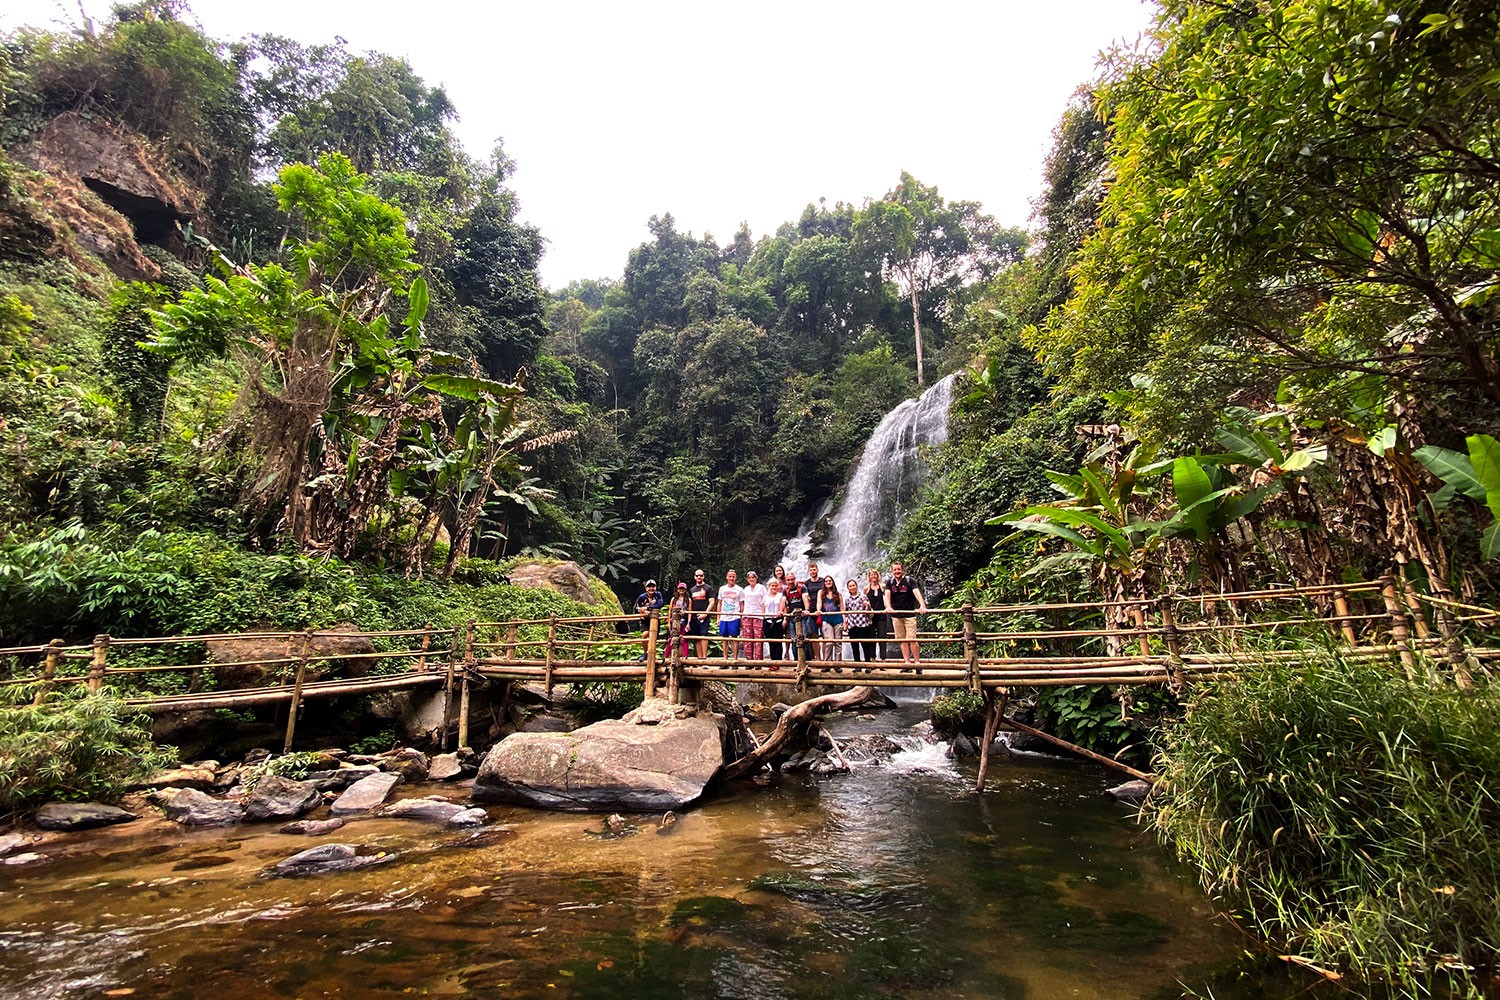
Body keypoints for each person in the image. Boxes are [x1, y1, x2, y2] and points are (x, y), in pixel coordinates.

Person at [886, 561, 928, 664]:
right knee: (902, 640)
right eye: (895, 570)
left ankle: (917, 663)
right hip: (896, 615)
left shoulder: (910, 581)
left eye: (899, 569)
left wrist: (922, 605)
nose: (897, 571)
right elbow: (887, 595)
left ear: (902, 570)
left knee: (912, 639)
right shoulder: (889, 582)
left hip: (909, 615)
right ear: (892, 571)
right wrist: (888, 606)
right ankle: (907, 663)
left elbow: (916, 592)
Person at [845, 578, 875, 664]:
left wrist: (868, 605)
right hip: (852, 625)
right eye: (850, 586)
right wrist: (846, 623)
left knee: (865, 645)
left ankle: (867, 664)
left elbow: (868, 610)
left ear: (857, 586)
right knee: (854, 646)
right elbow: (846, 612)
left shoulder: (863, 597)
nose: (852, 587)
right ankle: (857, 665)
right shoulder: (847, 599)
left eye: (853, 585)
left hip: (862, 624)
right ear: (848, 588)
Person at [633, 579, 665, 660]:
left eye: (653, 586)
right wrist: (641, 612)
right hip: (645, 620)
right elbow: (638, 608)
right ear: (646, 588)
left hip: (655, 619)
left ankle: (652, 655)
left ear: (655, 587)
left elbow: (659, 604)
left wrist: (648, 608)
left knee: (653, 638)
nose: (651, 588)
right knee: (644, 635)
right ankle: (645, 653)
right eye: (649, 586)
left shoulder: (658, 595)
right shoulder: (642, 597)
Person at [740, 570, 768, 660]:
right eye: (750, 578)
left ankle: (758, 661)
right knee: (747, 639)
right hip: (747, 615)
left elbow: (765, 602)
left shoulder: (761, 588)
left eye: (753, 577)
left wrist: (764, 615)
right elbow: (743, 602)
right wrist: (742, 615)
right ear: (747, 579)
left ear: (756, 578)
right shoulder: (746, 589)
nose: (751, 579)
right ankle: (749, 661)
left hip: (758, 615)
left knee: (758, 639)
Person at [717, 569, 744, 659]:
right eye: (730, 576)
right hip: (724, 616)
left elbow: (741, 604)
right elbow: (719, 603)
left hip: (735, 616)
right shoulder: (722, 588)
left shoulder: (739, 589)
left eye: (733, 576)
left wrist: (742, 617)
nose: (731, 578)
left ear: (735, 578)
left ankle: (735, 659)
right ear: (727, 577)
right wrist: (718, 617)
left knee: (734, 638)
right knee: (724, 638)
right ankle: (725, 658)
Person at [687, 569, 713, 660]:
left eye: (701, 575)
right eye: (697, 575)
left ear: (703, 576)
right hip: (694, 616)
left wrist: (705, 614)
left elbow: (712, 602)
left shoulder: (708, 588)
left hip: (704, 616)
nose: (699, 577)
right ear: (694, 577)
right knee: (696, 638)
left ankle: (704, 658)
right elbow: (690, 604)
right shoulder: (692, 590)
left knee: (703, 636)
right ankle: (700, 658)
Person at [817, 575, 845, 662]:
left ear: (832, 582)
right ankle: (827, 663)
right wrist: (818, 610)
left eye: (830, 581)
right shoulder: (821, 593)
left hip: (838, 619)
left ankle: (838, 663)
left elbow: (842, 608)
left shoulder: (838, 594)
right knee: (829, 641)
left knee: (838, 642)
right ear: (824, 583)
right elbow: (819, 603)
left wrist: (845, 621)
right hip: (826, 619)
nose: (828, 582)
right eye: (826, 581)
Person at [782, 570, 808, 660]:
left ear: (795, 579)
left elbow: (805, 598)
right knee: (793, 640)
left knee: (803, 638)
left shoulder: (802, 587)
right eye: (788, 580)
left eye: (792, 579)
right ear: (786, 580)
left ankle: (806, 660)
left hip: (802, 617)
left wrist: (807, 610)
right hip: (791, 618)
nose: (790, 582)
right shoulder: (786, 590)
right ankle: (797, 661)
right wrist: (782, 612)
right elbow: (783, 601)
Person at [865, 568, 889, 660]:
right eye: (872, 575)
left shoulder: (883, 586)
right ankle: (873, 658)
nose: (874, 576)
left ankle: (883, 659)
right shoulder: (866, 588)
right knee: (871, 637)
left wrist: (887, 607)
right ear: (869, 577)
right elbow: (864, 600)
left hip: (881, 614)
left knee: (882, 637)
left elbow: (887, 598)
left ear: (878, 576)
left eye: (875, 574)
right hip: (871, 616)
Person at [763, 578, 788, 667]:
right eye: (772, 585)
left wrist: (785, 619)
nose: (774, 587)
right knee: (771, 642)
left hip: (778, 621)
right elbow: (763, 609)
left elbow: (784, 608)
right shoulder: (765, 597)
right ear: (769, 586)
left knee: (778, 642)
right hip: (768, 621)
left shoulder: (780, 595)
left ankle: (778, 662)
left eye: (775, 585)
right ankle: (772, 662)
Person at [668, 582, 691, 659]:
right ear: (677, 589)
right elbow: (670, 611)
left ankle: (685, 656)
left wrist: (688, 623)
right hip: (674, 621)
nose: (681, 590)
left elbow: (690, 612)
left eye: (683, 589)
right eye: (680, 588)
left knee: (683, 638)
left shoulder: (688, 600)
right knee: (671, 639)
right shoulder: (673, 599)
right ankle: (666, 657)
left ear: (685, 589)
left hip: (683, 621)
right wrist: (668, 622)